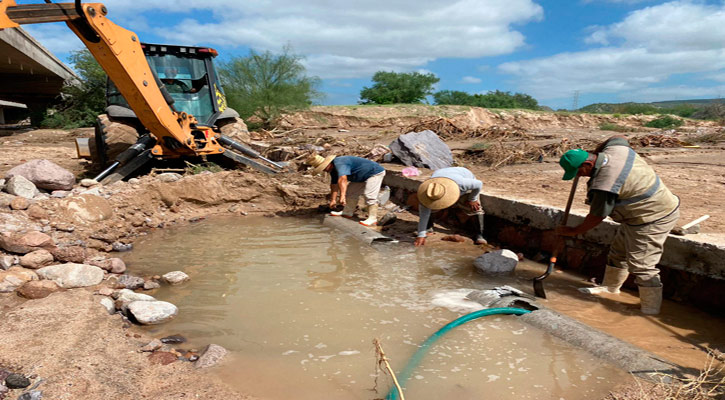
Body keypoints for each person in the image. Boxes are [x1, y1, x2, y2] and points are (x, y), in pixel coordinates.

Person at [557, 136, 680, 315]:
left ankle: (650, 310)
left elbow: (596, 216)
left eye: (578, 172)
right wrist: (600, 149)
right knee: (618, 252)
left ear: (588, 165)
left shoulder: (605, 184)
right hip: (635, 215)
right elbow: (617, 138)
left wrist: (573, 231)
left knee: (642, 264)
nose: (578, 176)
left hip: (653, 216)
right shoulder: (616, 149)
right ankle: (610, 288)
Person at [414, 167, 486, 247]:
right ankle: (428, 228)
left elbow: (479, 184)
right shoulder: (428, 193)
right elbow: (424, 215)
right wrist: (421, 235)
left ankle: (479, 234)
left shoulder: (462, 184)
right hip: (442, 174)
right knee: (432, 208)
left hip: (462, 176)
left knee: (474, 208)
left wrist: (473, 199)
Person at [306, 154, 386, 226]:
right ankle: (348, 212)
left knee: (369, 194)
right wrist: (333, 200)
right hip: (361, 176)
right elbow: (334, 184)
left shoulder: (339, 163)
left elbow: (343, 179)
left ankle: (372, 218)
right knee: (350, 192)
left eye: (324, 168)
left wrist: (342, 196)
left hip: (374, 173)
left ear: (328, 164)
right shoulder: (332, 169)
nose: (324, 170)